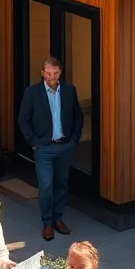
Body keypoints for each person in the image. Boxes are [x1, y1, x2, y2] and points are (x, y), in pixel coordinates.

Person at [18, 56, 84, 241]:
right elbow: (23, 119)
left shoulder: (69, 91)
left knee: (61, 183)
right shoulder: (32, 92)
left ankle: (58, 218)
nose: (51, 76)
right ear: (42, 73)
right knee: (46, 186)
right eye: (48, 73)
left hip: (65, 145)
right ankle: (47, 222)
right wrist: (33, 142)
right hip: (44, 148)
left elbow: (78, 116)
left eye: (55, 73)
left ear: (60, 73)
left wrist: (74, 139)